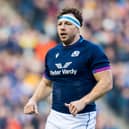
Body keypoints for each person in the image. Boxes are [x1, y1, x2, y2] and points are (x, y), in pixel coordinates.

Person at [24, 8, 113, 129]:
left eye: (68, 23)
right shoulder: (52, 53)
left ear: (77, 27)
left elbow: (107, 82)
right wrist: (33, 100)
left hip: (79, 119)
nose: (62, 27)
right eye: (59, 24)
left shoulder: (92, 50)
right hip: (54, 117)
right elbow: (47, 83)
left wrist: (84, 101)